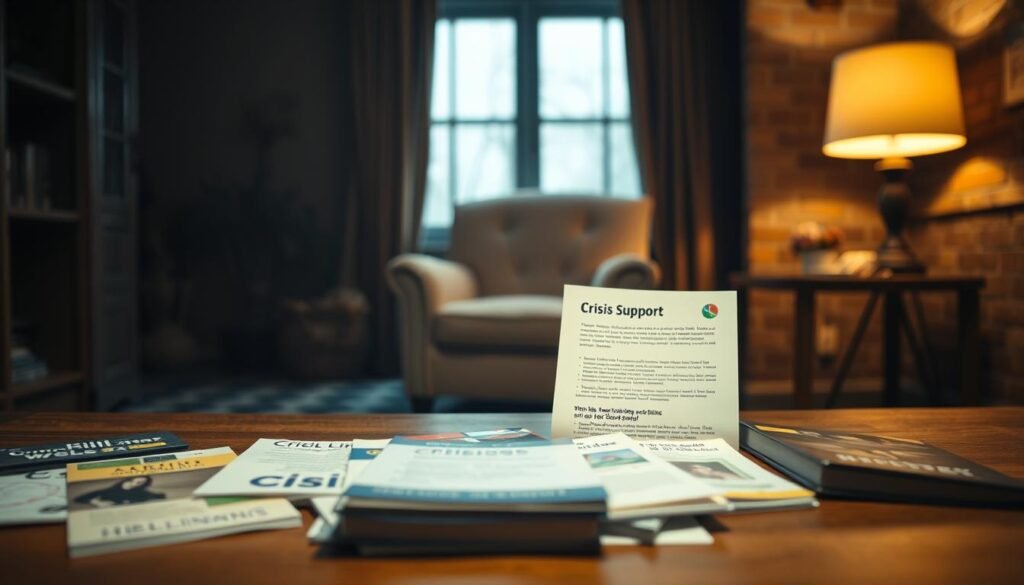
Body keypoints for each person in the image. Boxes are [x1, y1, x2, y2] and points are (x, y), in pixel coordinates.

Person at [74, 476, 166, 507]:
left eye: (142, 482)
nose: (138, 482)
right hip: (112, 494)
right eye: (138, 479)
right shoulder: (107, 492)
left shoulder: (141, 493)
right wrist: (96, 502)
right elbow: (79, 499)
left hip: (132, 496)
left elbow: (160, 496)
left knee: (156, 496)